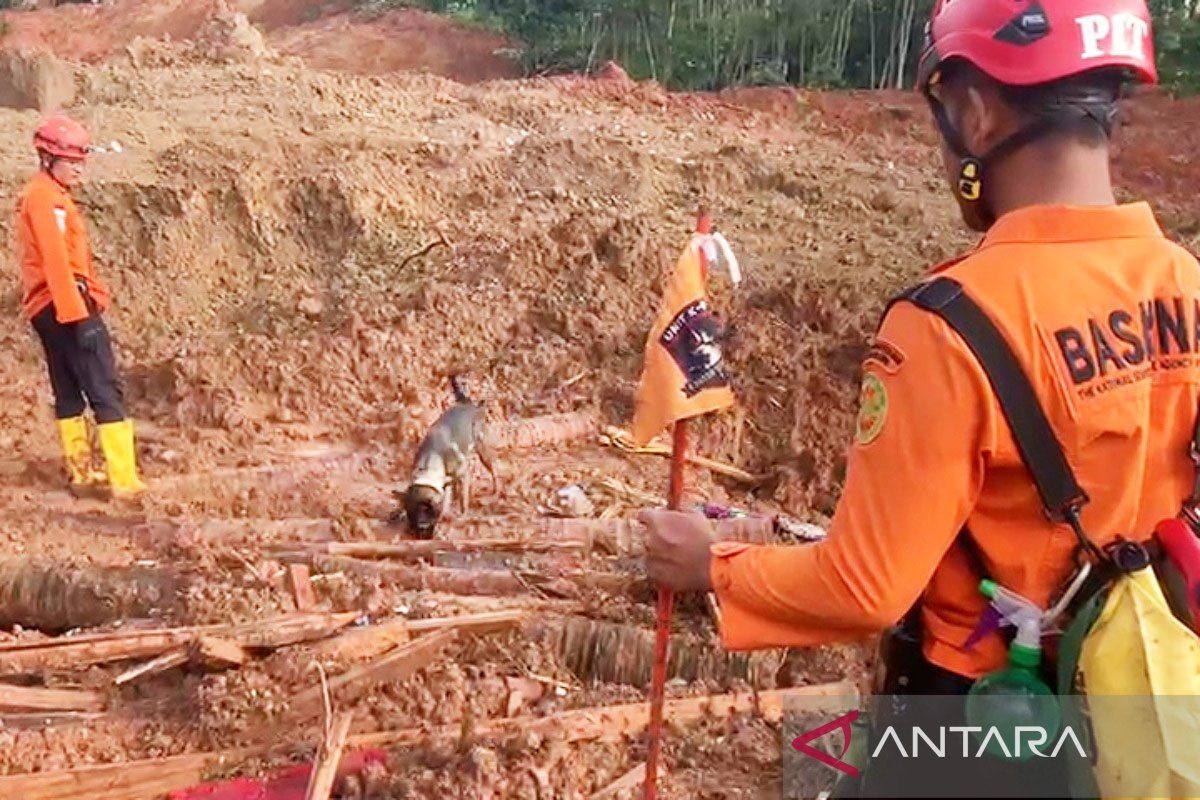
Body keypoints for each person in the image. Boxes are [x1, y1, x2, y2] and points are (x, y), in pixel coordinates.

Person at [641, 0, 1191, 721]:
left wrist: (710, 564)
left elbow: (865, 587)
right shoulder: (1186, 282)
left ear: (977, 115)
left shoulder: (948, 324)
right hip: (1152, 704)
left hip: (988, 714)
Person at [17, 114, 147, 499]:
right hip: (65, 303)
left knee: (69, 389)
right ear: (47, 159)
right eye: (71, 162)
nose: (78, 169)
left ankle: (82, 473)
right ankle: (124, 481)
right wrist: (80, 317)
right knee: (104, 386)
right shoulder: (47, 200)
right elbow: (58, 260)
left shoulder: (43, 195)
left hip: (46, 305)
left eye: (80, 162)